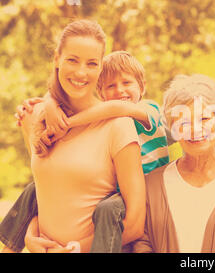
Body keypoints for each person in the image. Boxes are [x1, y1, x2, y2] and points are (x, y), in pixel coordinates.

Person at [0, 20, 146, 253]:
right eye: (72, 60)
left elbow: (135, 225)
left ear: (100, 68)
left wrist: (72, 248)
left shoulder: (118, 127)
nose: (80, 72)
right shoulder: (34, 117)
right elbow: (46, 191)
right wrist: (30, 234)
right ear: (56, 59)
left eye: (91, 63)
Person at [132, 74, 215, 253]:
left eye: (204, 119)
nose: (195, 129)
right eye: (184, 122)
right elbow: (142, 243)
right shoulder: (152, 184)